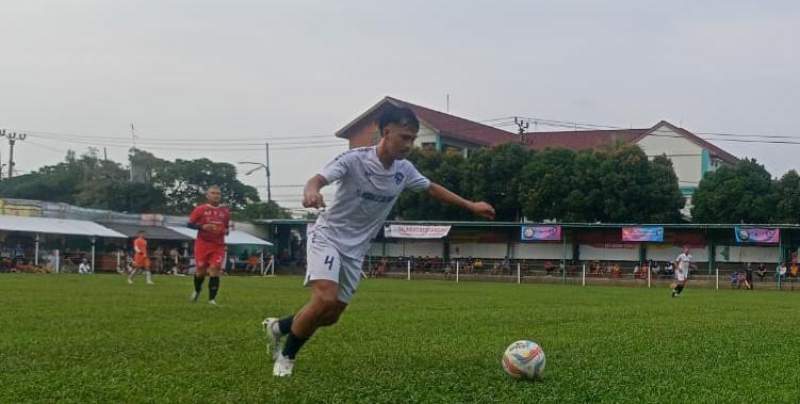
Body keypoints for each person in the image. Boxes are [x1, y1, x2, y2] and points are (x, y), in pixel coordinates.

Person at [262, 105, 496, 377]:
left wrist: (471, 205)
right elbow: (318, 179)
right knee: (324, 298)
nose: (409, 144)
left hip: (356, 248)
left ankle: (278, 327)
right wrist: (311, 192)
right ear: (386, 132)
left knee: (331, 315)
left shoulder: (404, 170)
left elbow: (431, 188)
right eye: (404, 137)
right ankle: (286, 357)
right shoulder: (355, 159)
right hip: (328, 236)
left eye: (412, 138)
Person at [187, 185, 231, 305]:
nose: (216, 195)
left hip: (218, 245)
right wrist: (202, 226)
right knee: (200, 270)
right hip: (202, 244)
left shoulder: (225, 212)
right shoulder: (200, 209)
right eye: (213, 193)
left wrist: (226, 231)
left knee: (214, 269)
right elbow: (189, 224)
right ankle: (197, 290)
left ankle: (212, 299)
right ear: (207, 195)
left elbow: (227, 227)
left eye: (218, 193)